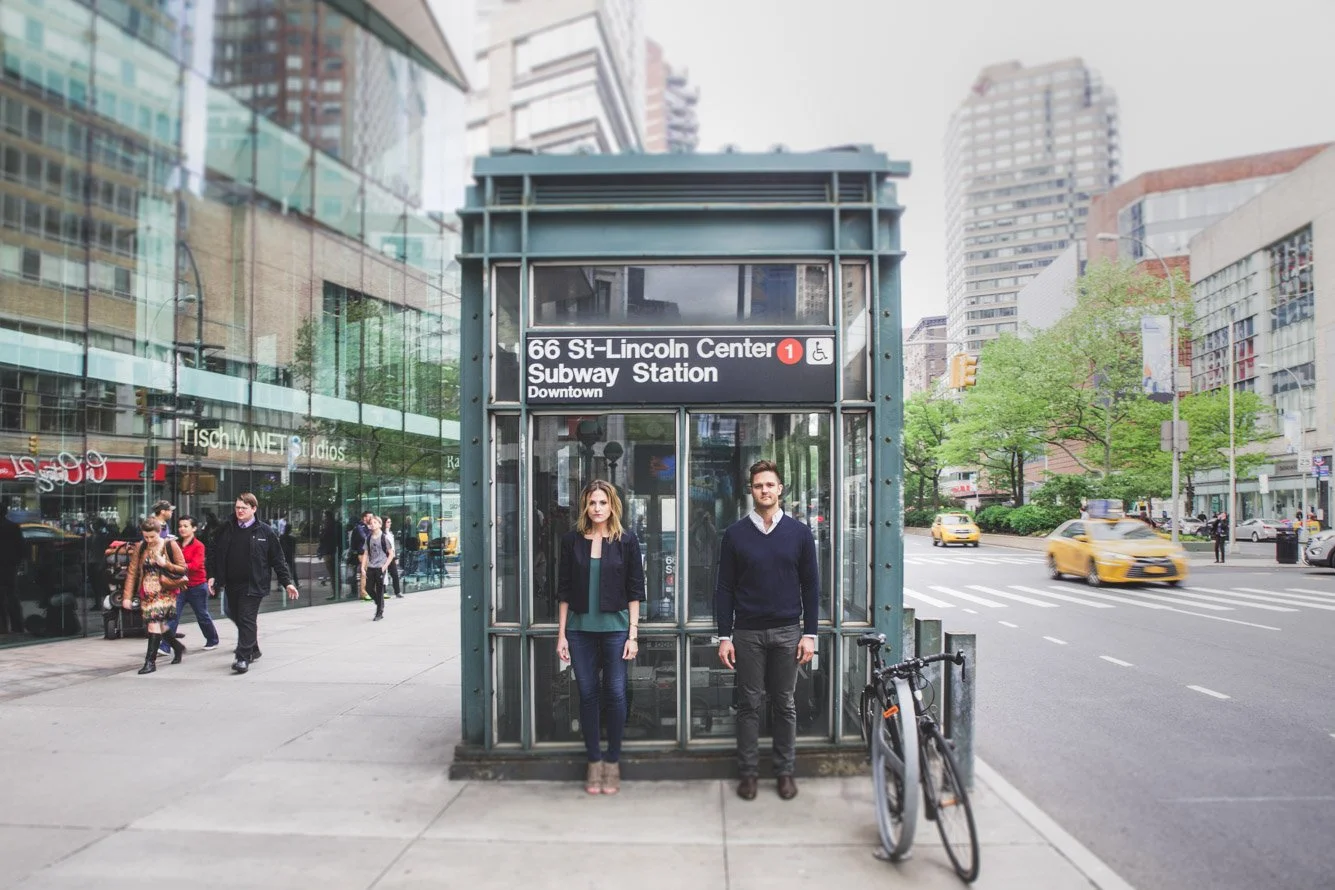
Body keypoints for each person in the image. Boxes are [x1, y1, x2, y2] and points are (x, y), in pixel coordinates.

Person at [715, 459, 819, 802]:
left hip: (788, 631)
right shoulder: (734, 535)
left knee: (785, 704)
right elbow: (725, 588)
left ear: (780, 489)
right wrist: (725, 636)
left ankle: (785, 771)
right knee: (748, 705)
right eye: (759, 485)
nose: (765, 490)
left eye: (770, 485)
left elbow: (811, 586)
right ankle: (748, 774)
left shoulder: (800, 533)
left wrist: (810, 634)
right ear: (751, 490)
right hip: (747, 634)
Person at [556, 480, 644, 796]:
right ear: (585, 506)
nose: (597, 508)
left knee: (616, 693)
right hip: (579, 630)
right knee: (588, 694)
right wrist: (561, 634)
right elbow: (564, 589)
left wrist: (633, 634)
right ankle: (594, 761)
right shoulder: (571, 541)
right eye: (592, 503)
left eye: (602, 503)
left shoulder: (627, 541)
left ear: (612, 506)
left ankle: (613, 760)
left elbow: (635, 591)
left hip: (617, 630)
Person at [207, 493, 298, 674]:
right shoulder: (227, 528)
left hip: (254, 584)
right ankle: (253, 648)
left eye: (244, 508)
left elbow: (278, 559)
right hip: (231, 583)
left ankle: (242, 658)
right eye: (237, 507)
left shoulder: (265, 531)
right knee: (233, 613)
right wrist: (212, 575)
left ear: (254, 509)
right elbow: (213, 551)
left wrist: (287, 582)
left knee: (247, 618)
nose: (239, 511)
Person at [121, 518, 188, 674]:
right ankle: (177, 647)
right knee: (160, 625)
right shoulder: (141, 546)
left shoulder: (170, 545)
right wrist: (127, 596)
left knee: (153, 623)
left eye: (152, 537)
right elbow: (132, 572)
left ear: (159, 532)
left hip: (165, 590)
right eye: (146, 537)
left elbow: (182, 569)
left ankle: (150, 662)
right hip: (147, 591)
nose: (149, 540)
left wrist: (165, 564)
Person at [160, 516, 220, 654]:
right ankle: (165, 646)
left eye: (186, 526)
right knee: (173, 616)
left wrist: (176, 567)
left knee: (202, 615)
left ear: (194, 528)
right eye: (180, 526)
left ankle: (212, 639)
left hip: (197, 586)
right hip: (179, 585)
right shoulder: (175, 544)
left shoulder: (199, 545)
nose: (182, 528)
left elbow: (196, 565)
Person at [360, 515, 393, 621]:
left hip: (380, 567)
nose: (372, 525)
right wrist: (362, 567)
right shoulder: (368, 538)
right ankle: (379, 603)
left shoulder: (384, 538)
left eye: (375, 523)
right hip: (371, 566)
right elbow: (365, 553)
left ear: (379, 524)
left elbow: (391, 554)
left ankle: (379, 613)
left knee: (379, 590)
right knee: (368, 588)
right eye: (371, 523)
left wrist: (384, 567)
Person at [0, 502, 25, 635]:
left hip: (5, 564)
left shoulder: (11, 527)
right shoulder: (13, 527)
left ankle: (3, 627)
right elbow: (21, 547)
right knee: (12, 596)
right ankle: (17, 626)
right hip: (10, 565)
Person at [347, 510, 373, 600]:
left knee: (369, 572)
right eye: (370, 517)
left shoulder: (368, 527)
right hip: (362, 553)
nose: (371, 519)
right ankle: (363, 593)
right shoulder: (360, 527)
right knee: (364, 572)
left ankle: (368, 591)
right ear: (365, 518)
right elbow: (365, 538)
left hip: (369, 552)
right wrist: (370, 530)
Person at [318, 511, 341, 599]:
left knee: (333, 574)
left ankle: (336, 593)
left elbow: (323, 539)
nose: (324, 518)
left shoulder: (329, 526)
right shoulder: (335, 525)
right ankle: (336, 593)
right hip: (332, 551)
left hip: (330, 552)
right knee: (334, 574)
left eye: (325, 516)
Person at [383, 516, 404, 598]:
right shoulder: (382, 534)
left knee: (395, 574)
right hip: (384, 556)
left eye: (390, 522)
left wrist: (395, 557)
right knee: (383, 575)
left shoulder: (390, 533)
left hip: (391, 556)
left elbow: (393, 547)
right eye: (388, 522)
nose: (390, 523)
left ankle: (397, 592)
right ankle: (383, 592)